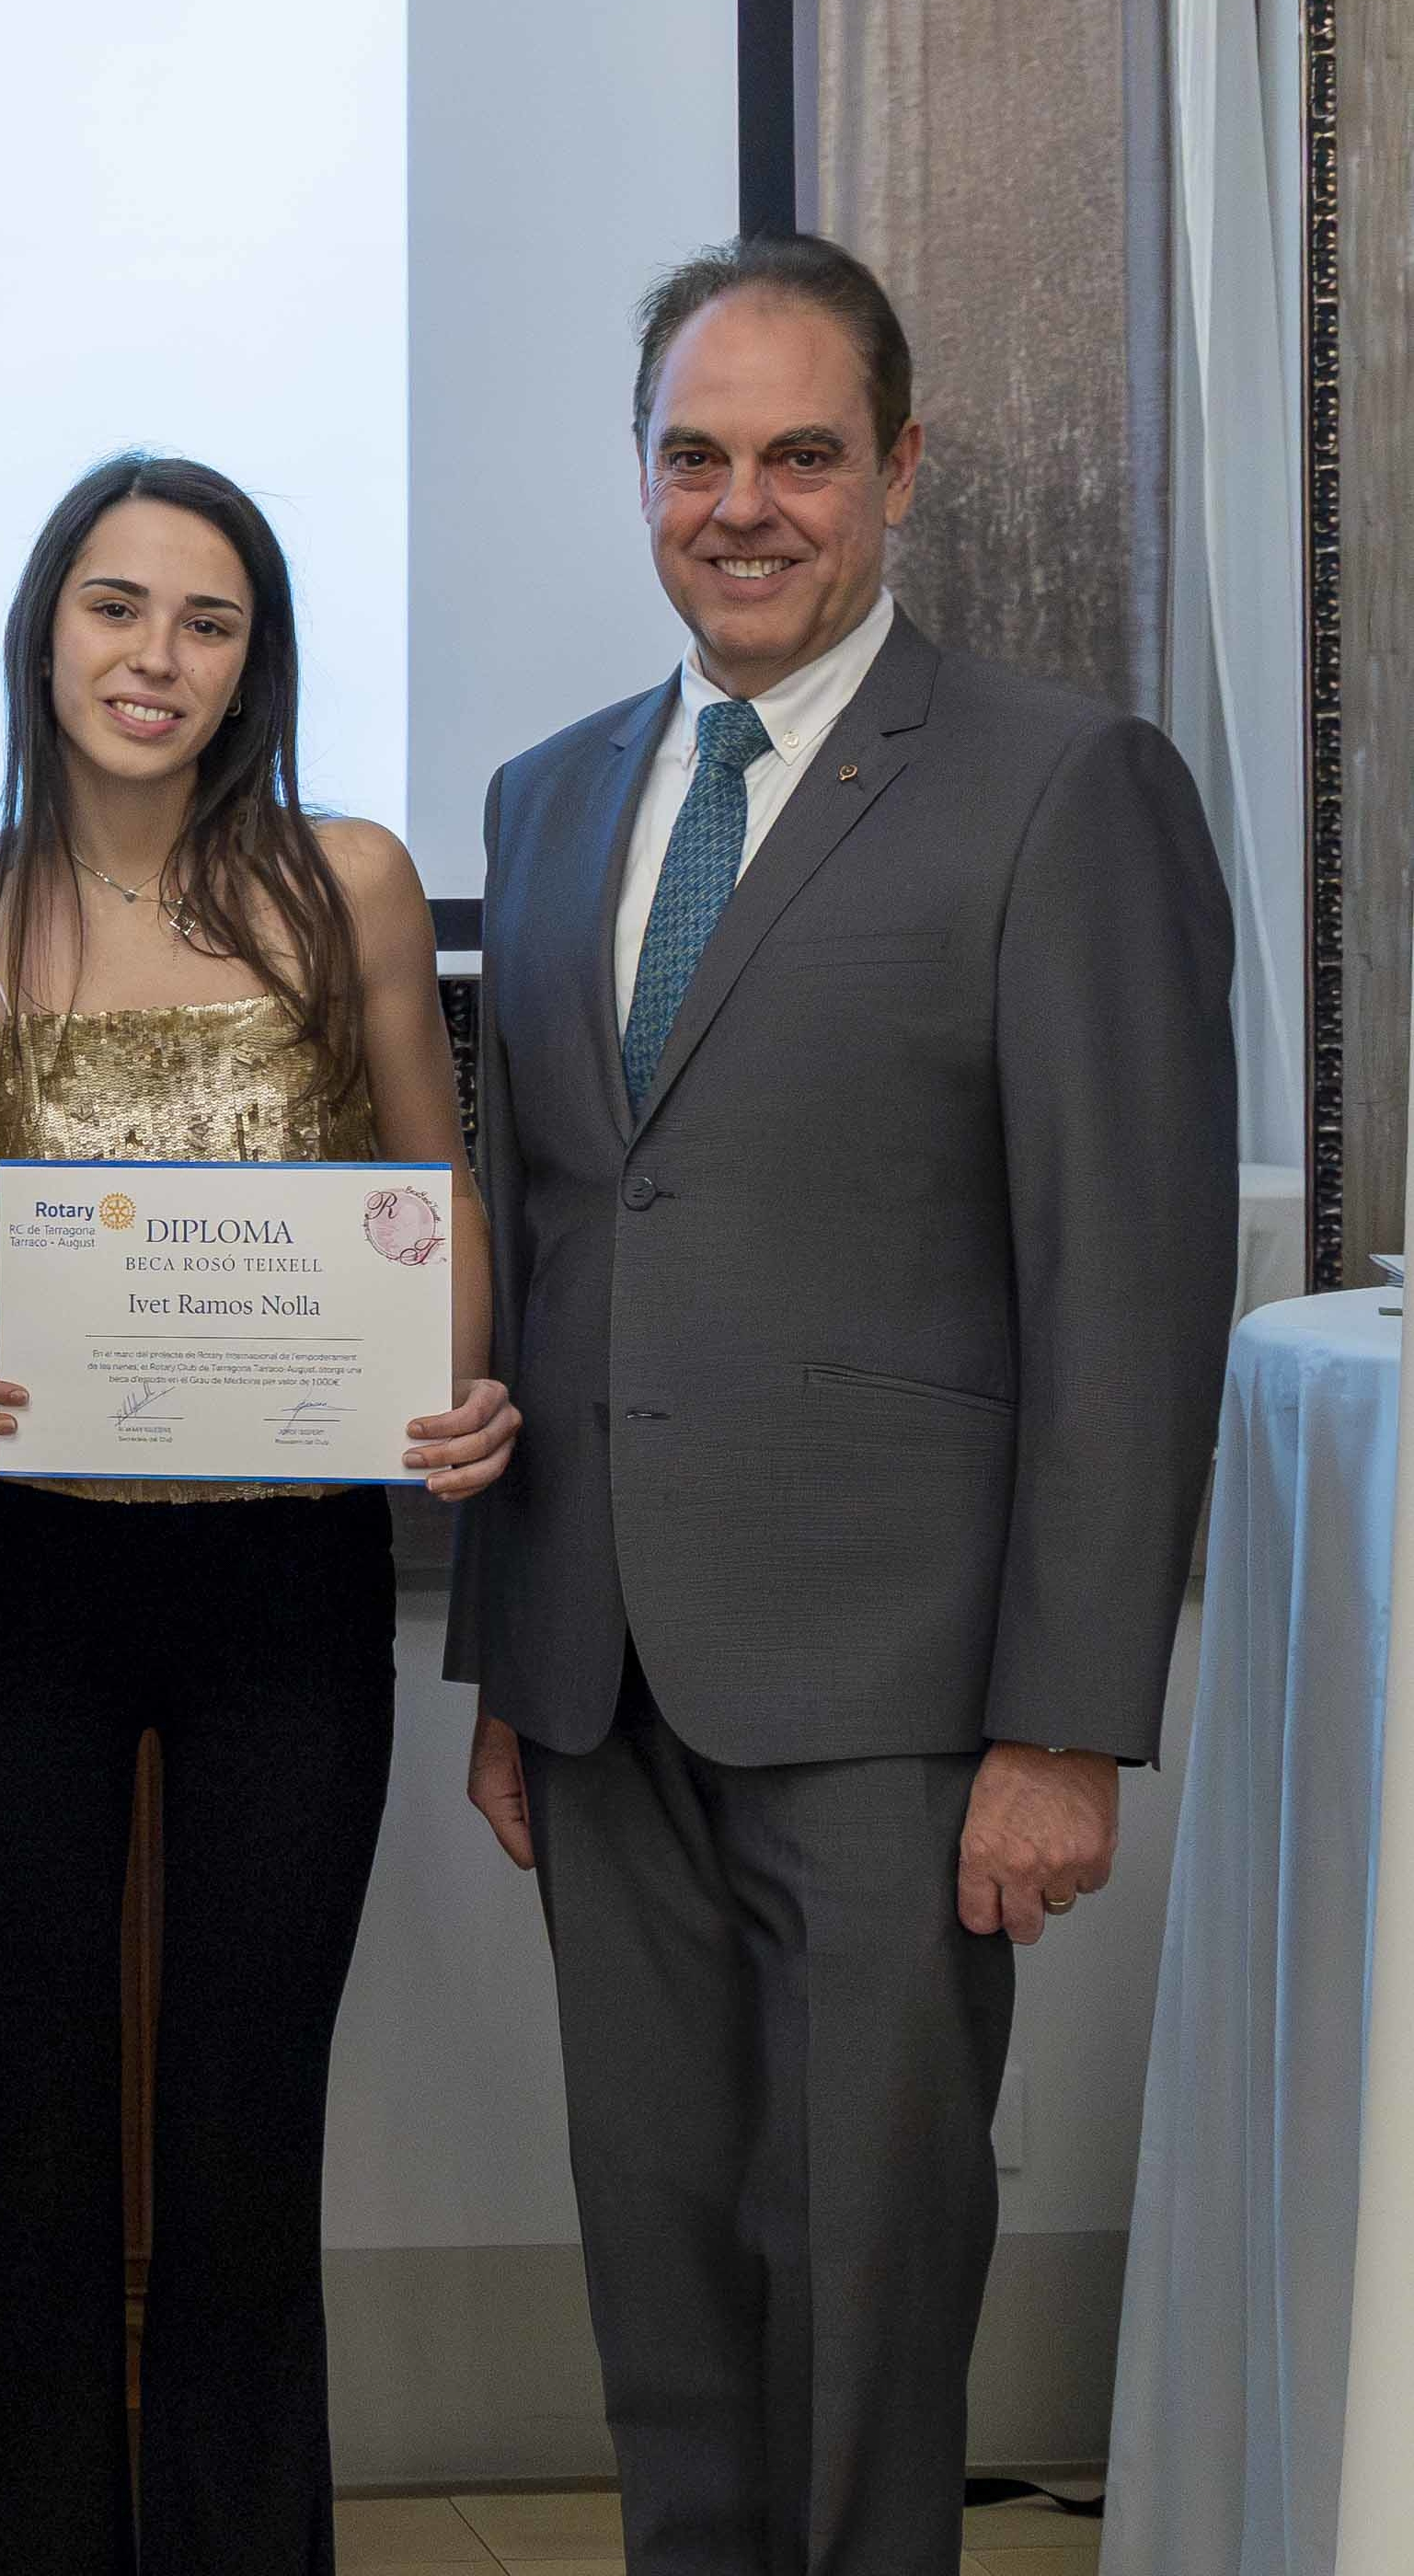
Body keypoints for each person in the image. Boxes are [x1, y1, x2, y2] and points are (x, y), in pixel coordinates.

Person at [452, 232, 1236, 2572]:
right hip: (600, 1686)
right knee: (664, 2287)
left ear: (896, 469)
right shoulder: (547, 795)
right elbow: (565, 1238)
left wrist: (1064, 1720)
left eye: (800, 454)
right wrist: (509, 1654)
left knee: (865, 2295)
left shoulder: (1058, 785)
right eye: (694, 456)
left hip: (902, 1703)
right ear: (638, 480)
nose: (743, 504)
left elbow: (1128, 1279)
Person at [0, 454, 520, 2573]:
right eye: (113, 607)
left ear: (255, 661)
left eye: (203, 620)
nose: (151, 658)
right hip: (14, 1576)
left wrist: (454, 1393)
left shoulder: (344, 880)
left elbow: (431, 1189)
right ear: (41, 631)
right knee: (30, 2137)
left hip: (286, 1578)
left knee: (246, 2139)